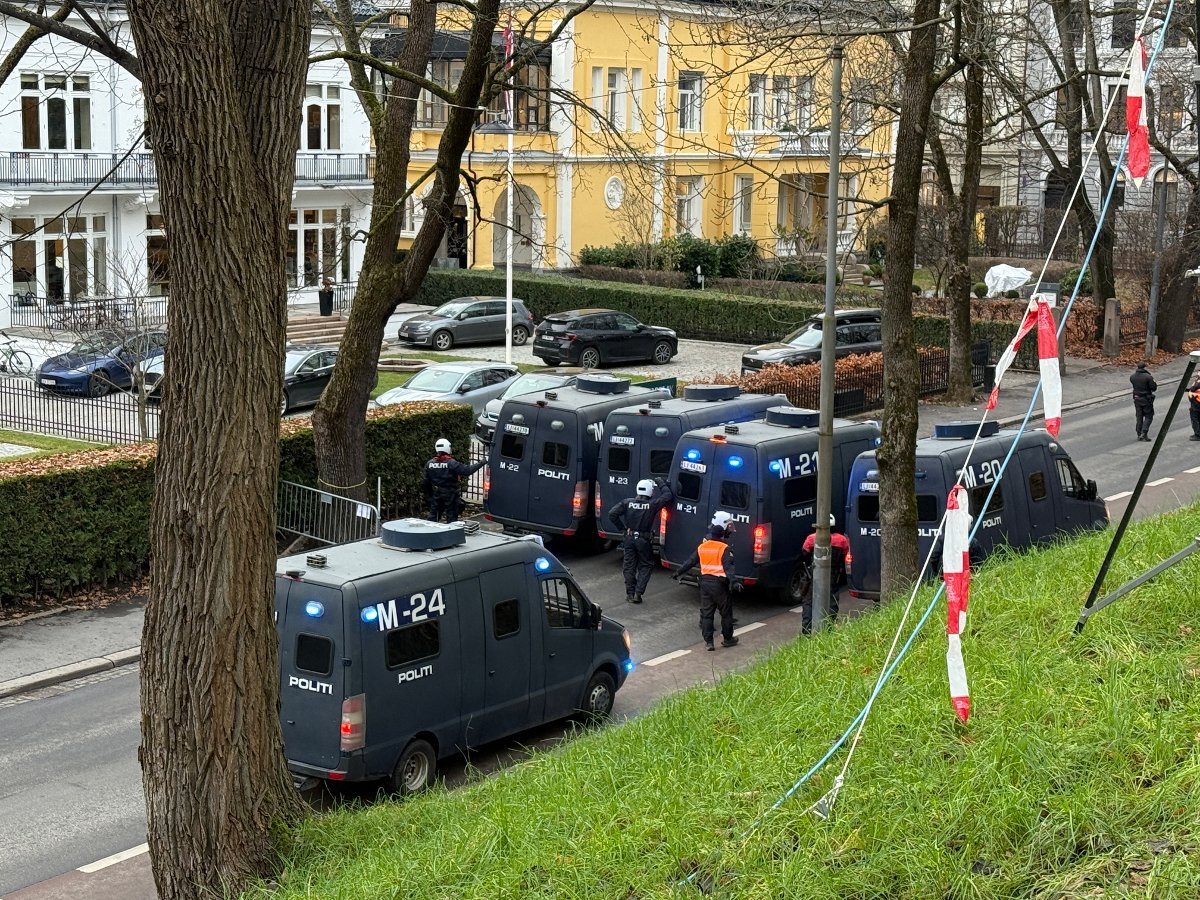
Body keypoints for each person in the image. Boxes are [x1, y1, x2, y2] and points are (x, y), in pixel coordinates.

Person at [672, 523, 741, 651]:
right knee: (726, 613)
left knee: (707, 614)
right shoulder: (724, 548)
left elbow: (690, 562)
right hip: (720, 585)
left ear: (711, 535)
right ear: (721, 536)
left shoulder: (702, 547)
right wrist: (734, 582)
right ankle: (727, 639)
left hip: (705, 584)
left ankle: (709, 642)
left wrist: (678, 572)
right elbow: (729, 568)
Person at [606, 477, 674, 604]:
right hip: (643, 540)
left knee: (629, 566)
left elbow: (612, 514)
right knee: (646, 565)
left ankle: (630, 593)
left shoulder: (626, 502)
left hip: (629, 538)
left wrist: (622, 529)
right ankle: (638, 593)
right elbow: (668, 496)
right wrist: (660, 482)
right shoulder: (652, 505)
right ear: (649, 491)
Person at [799, 514, 849, 634]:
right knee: (832, 603)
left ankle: (807, 631)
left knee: (809, 603)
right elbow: (846, 555)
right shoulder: (842, 540)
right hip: (833, 578)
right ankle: (828, 630)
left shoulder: (811, 538)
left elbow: (804, 554)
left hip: (813, 577)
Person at [423, 438, 484, 523]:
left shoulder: (429, 463)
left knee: (433, 517)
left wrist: (431, 495)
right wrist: (481, 463)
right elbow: (467, 471)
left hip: (437, 494)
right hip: (450, 494)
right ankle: (450, 535)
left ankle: (428, 534)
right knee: (452, 518)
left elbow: (426, 482)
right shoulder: (451, 463)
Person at [1130, 361, 1157, 443]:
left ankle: (1139, 433)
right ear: (1144, 367)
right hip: (1146, 399)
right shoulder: (1148, 377)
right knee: (1149, 416)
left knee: (1139, 416)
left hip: (1137, 398)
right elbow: (1153, 388)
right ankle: (1144, 432)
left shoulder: (1132, 377)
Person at [1188, 376, 1200, 442]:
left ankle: (1198, 435)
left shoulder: (1198, 383)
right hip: (1196, 403)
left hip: (1196, 404)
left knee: (1195, 419)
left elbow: (1193, 389)